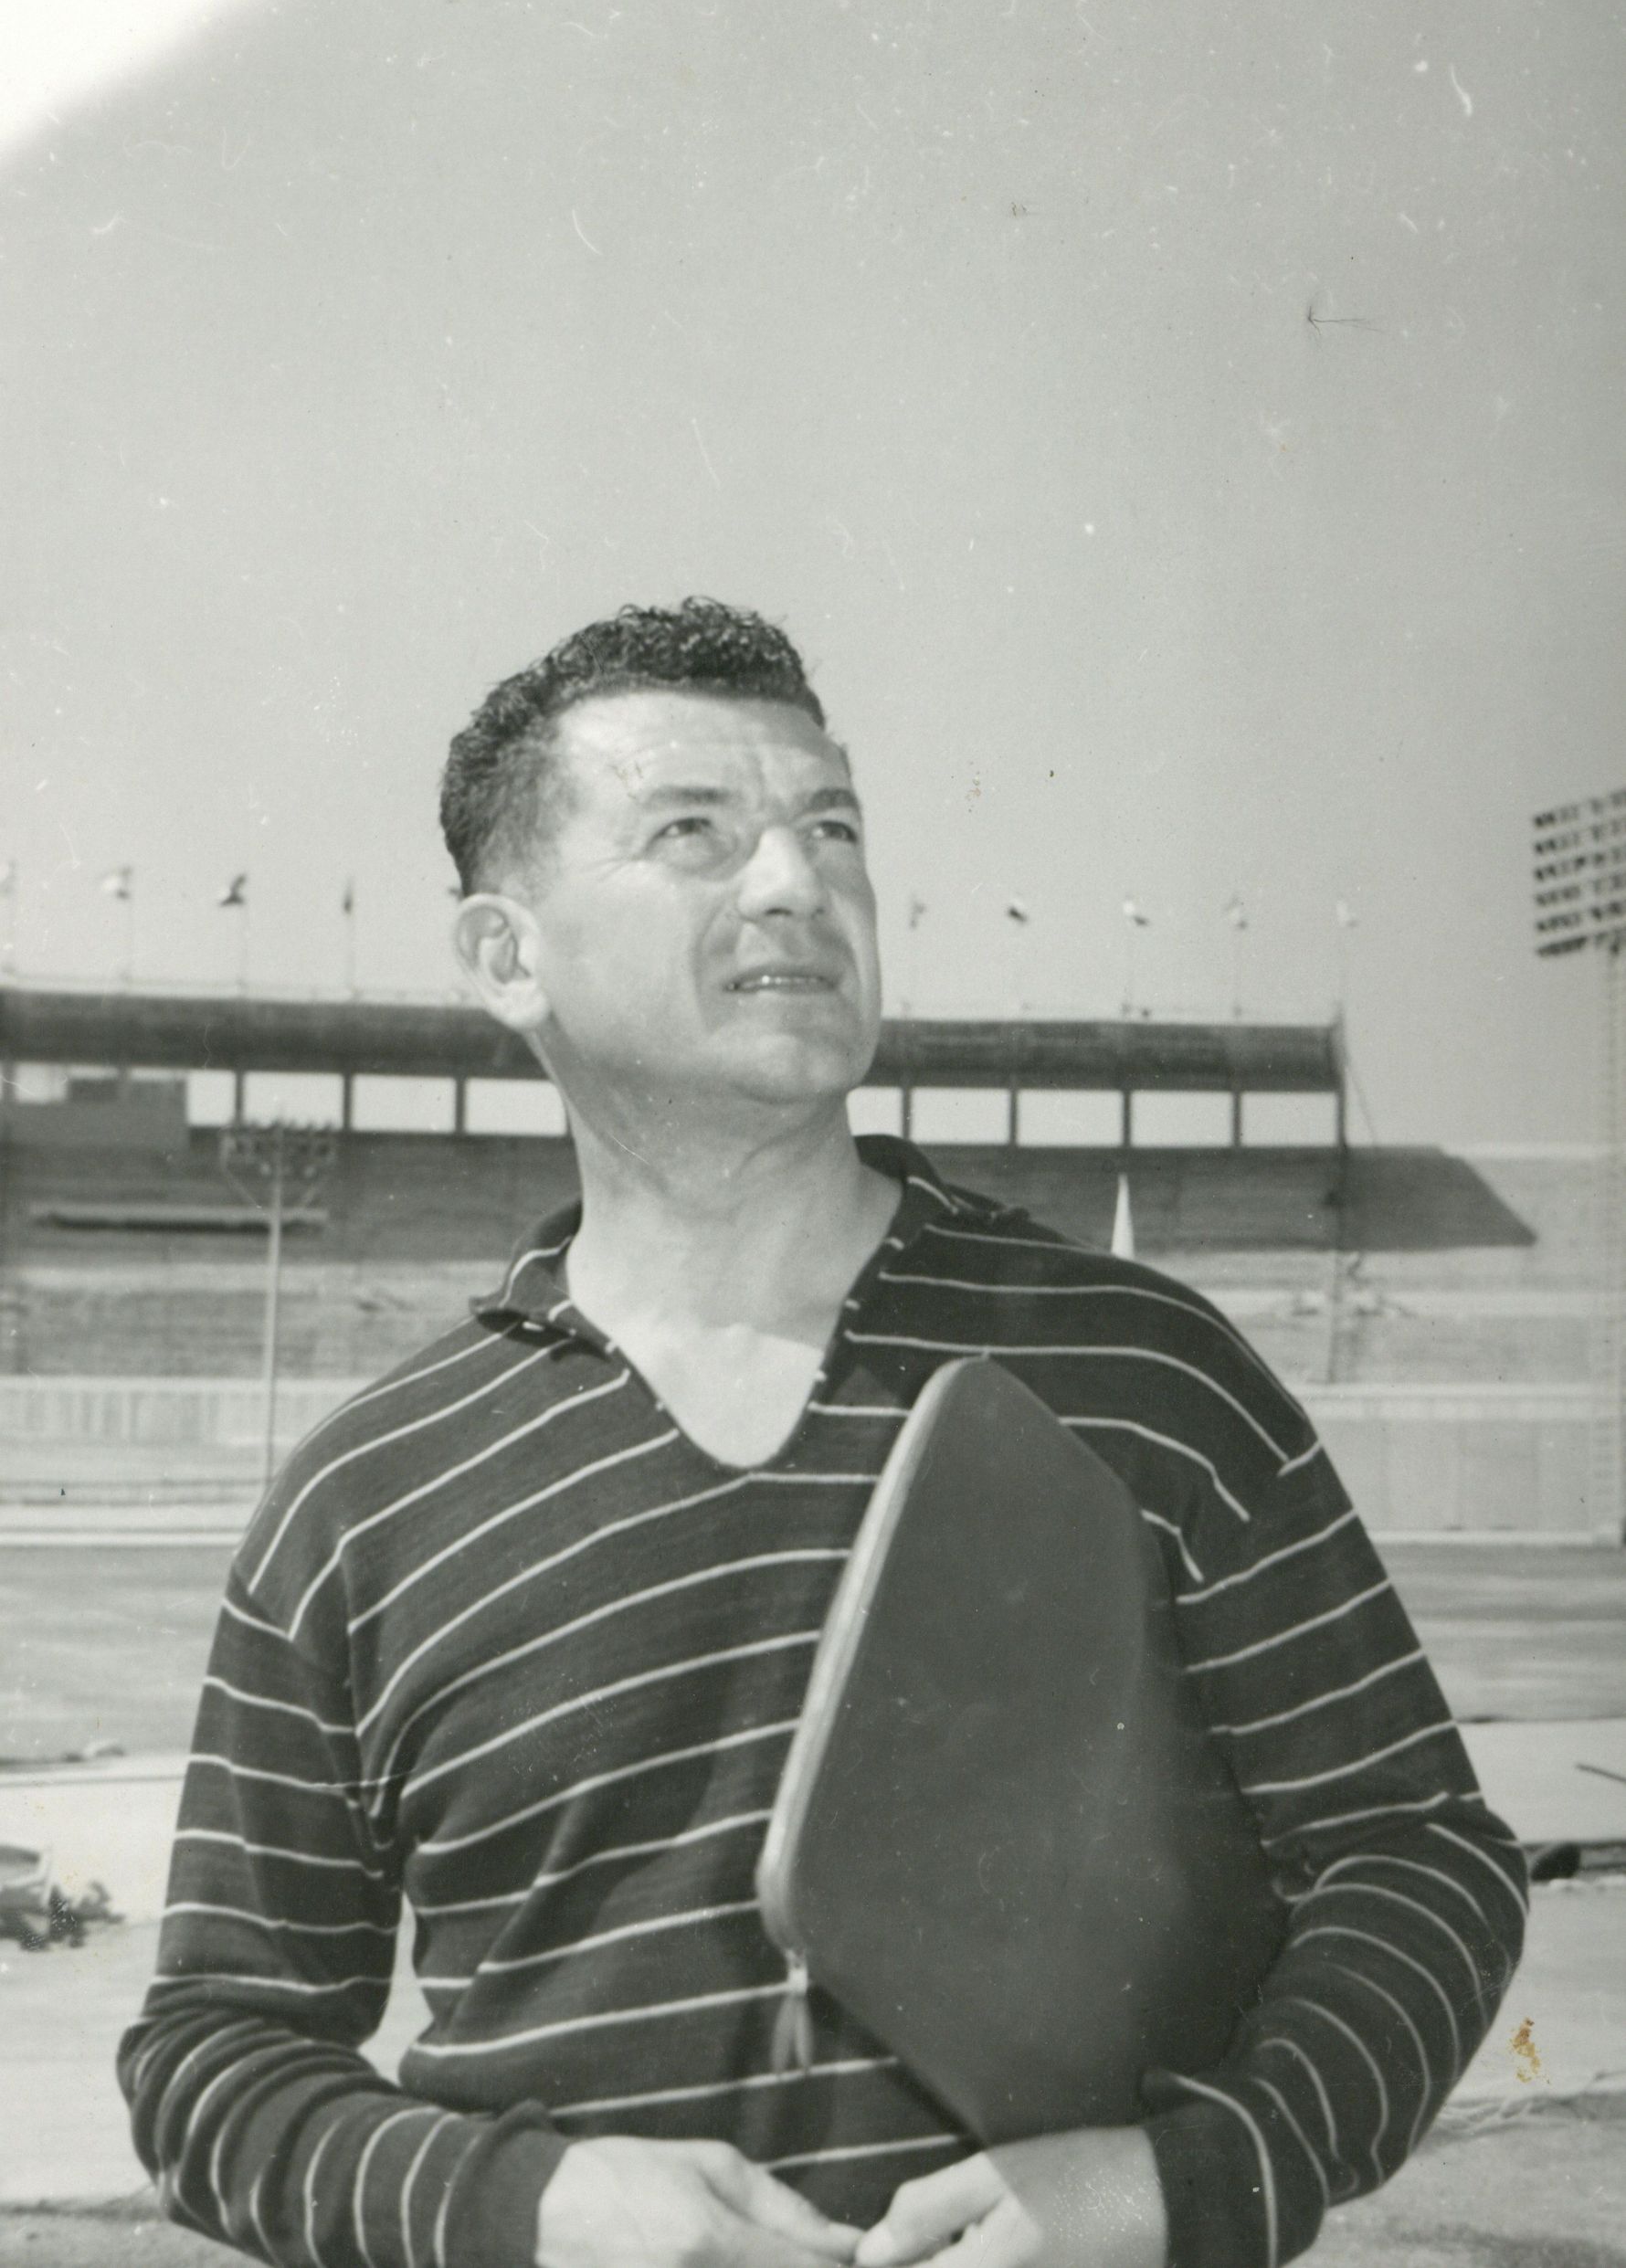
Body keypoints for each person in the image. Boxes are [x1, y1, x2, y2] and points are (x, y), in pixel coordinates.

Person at [120, 598, 1526, 2268]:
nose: (797, 884)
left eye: (832, 828)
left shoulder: (1144, 1368)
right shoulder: (365, 1498)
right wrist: (530, 2208)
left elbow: (1420, 1858)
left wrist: (1179, 2188)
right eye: (693, 834)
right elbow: (214, 2048)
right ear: (507, 957)